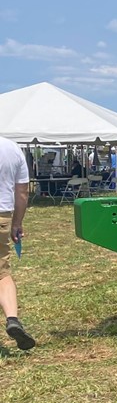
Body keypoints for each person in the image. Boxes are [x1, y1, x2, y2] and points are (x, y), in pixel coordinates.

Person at [0, 135, 34, 350]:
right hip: (2, 215)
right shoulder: (12, 149)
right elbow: (22, 192)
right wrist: (17, 223)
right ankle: (12, 318)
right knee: (2, 273)